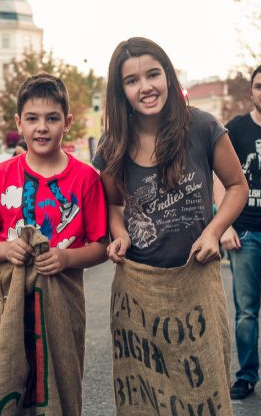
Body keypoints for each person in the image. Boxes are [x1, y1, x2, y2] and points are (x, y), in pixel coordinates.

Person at [93, 37, 248, 406]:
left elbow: (237, 186)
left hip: (196, 280)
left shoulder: (203, 127)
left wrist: (214, 231)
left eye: (153, 74)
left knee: (203, 392)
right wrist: (118, 235)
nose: (145, 87)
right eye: (132, 81)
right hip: (138, 289)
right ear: (121, 91)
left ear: (167, 75)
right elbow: (114, 205)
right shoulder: (112, 144)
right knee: (146, 398)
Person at [0, 73, 108, 411]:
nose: (41, 127)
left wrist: (67, 258)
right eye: (32, 118)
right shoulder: (0, 176)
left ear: (67, 122)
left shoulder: (86, 178)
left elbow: (102, 246)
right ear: (19, 123)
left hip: (63, 306)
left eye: (51, 118)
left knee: (59, 386)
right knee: (4, 381)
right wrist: (5, 249)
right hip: (10, 304)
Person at [215, 64, 261, 400]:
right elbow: (219, 179)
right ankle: (246, 376)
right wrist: (225, 224)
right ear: (252, 90)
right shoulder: (235, 129)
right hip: (245, 236)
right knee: (246, 311)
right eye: (260, 86)